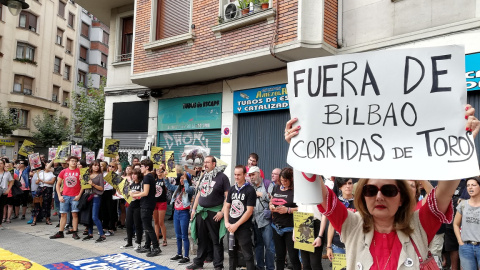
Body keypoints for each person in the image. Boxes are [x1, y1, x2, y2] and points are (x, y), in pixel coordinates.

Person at [283, 105, 479, 269]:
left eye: (388, 190)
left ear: (401, 196)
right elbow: (319, 191)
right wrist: (299, 148)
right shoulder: (350, 224)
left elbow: (446, 188)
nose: (379, 196)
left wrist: (462, 138)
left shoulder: (419, 224)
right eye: (370, 190)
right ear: (362, 196)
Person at [187, 156, 230, 270]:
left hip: (215, 213)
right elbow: (199, 194)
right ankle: (199, 262)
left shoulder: (223, 178)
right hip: (201, 212)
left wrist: (222, 212)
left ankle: (218, 265)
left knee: (216, 240)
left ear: (214, 164)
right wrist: (194, 209)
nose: (205, 164)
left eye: (207, 162)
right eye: (204, 162)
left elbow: (227, 197)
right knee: (202, 239)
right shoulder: (204, 176)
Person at [224, 165, 256, 270]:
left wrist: (236, 225)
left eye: (239, 175)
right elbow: (227, 206)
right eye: (235, 174)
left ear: (244, 175)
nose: (236, 177)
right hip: (231, 228)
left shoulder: (250, 190)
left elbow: (249, 211)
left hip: (243, 228)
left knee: (247, 255)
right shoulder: (232, 189)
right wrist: (226, 223)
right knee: (232, 254)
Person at [268, 167, 301, 270]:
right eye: (281, 180)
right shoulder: (276, 187)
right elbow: (271, 201)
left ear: (291, 179)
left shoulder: (296, 190)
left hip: (290, 227)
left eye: (285, 181)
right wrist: (271, 207)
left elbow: (304, 208)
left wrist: (288, 210)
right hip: (276, 226)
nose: (283, 183)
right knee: (279, 256)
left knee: (293, 257)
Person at [132, 159, 162, 257]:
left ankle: (156, 247)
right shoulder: (149, 177)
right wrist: (137, 193)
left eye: (142, 166)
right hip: (147, 203)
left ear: (147, 167)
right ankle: (147, 246)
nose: (140, 168)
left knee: (148, 226)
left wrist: (135, 195)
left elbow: (145, 193)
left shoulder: (147, 177)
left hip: (147, 204)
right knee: (147, 225)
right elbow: (146, 191)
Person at [165, 171, 195, 265]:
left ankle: (186, 256)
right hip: (176, 213)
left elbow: (187, 189)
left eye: (184, 178)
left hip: (184, 213)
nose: (181, 180)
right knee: (178, 235)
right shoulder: (177, 188)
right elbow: (169, 186)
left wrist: (186, 180)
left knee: (184, 236)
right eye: (181, 178)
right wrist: (165, 177)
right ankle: (179, 254)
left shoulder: (191, 188)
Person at [249, 166, 275, 270]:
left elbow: (273, 199)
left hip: (266, 220)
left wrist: (260, 194)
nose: (251, 177)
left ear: (259, 174)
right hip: (254, 220)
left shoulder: (268, 184)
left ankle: (270, 268)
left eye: (253, 174)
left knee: (269, 246)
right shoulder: (250, 186)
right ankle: (260, 266)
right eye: (250, 175)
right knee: (258, 245)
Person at [50, 156, 81, 240]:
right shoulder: (63, 171)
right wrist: (59, 196)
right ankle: (60, 232)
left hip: (75, 196)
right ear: (68, 162)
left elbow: (83, 185)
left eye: (75, 161)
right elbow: (57, 184)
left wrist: (79, 195)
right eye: (72, 161)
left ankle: (75, 232)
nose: (73, 162)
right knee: (63, 214)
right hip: (65, 196)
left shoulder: (80, 171)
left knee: (75, 214)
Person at [326, 177, 356, 264]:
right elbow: (331, 225)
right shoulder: (335, 202)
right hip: (338, 245)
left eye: (350, 183)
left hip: (355, 245)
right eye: (344, 184)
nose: (347, 186)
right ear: (339, 187)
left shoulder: (358, 202)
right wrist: (329, 247)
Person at [453, 176, 480, 269]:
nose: (470, 187)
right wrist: (460, 241)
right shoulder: (463, 204)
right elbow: (456, 224)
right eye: (468, 185)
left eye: (473, 185)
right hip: (466, 247)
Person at [82, 160, 106, 242]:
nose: (96, 167)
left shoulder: (100, 175)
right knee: (89, 216)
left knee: (94, 216)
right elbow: (84, 186)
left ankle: (102, 235)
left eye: (98, 165)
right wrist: (81, 180)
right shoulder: (87, 175)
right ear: (91, 166)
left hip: (96, 196)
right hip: (88, 197)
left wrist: (93, 184)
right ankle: (90, 233)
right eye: (95, 165)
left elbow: (102, 188)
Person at [122, 168, 144, 250]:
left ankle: (138, 243)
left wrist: (135, 193)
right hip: (131, 205)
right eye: (132, 174)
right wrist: (135, 193)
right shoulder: (131, 184)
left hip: (138, 206)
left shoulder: (141, 183)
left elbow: (141, 194)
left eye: (135, 174)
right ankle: (129, 242)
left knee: (137, 224)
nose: (133, 176)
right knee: (128, 223)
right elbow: (128, 193)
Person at [153, 165, 168, 246]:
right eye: (157, 170)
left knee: (161, 222)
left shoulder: (164, 179)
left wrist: (165, 174)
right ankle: (156, 239)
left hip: (162, 202)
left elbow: (168, 186)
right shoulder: (153, 179)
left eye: (160, 170)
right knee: (156, 222)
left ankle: (165, 239)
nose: (158, 171)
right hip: (154, 202)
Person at [0, 159, 14, 229]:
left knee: (1, 207)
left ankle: (0, 224)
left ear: (3, 164)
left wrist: (8, 189)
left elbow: (11, 181)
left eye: (1, 163)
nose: (0, 165)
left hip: (3, 192)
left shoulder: (7, 173)